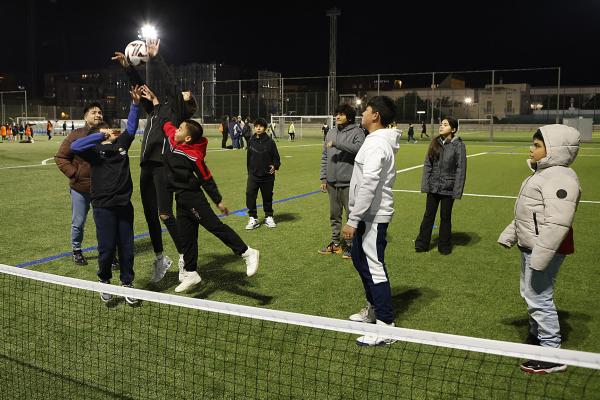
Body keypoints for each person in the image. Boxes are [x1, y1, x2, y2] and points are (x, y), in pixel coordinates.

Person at [140, 85, 260, 292]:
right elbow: (163, 122)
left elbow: (206, 178)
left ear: (187, 138)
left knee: (215, 227)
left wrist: (218, 200)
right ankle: (191, 273)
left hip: (194, 198)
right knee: (187, 239)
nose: (175, 129)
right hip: (181, 200)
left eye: (180, 129)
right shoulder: (172, 137)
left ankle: (247, 252)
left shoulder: (193, 154)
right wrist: (155, 101)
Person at [498, 125, 581, 374]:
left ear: (554, 149)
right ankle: (537, 337)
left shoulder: (560, 177)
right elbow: (529, 214)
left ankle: (550, 352)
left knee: (539, 296)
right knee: (531, 292)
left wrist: (541, 255)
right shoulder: (540, 174)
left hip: (544, 248)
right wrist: (510, 234)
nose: (531, 149)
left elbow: (557, 223)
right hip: (531, 245)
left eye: (537, 145)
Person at [112, 38, 196, 282]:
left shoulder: (179, 111)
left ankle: (184, 258)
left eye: (185, 94)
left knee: (165, 214)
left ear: (187, 105)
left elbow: (171, 84)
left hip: (162, 168)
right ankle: (161, 259)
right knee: (150, 215)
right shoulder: (157, 110)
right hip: (146, 166)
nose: (183, 91)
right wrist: (128, 67)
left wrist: (156, 57)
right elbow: (141, 88)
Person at [70, 86, 142, 304]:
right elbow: (75, 145)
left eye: (108, 129)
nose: (108, 131)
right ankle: (104, 281)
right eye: (103, 131)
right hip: (102, 206)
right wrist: (98, 137)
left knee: (127, 247)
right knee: (107, 247)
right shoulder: (93, 152)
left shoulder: (122, 144)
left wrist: (135, 104)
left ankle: (127, 284)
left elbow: (131, 125)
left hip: (123, 204)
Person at [341, 96, 401, 346]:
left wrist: (353, 219)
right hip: (367, 214)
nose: (362, 114)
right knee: (359, 259)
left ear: (375, 115)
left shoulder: (376, 144)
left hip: (372, 216)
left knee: (374, 267)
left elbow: (370, 183)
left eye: (365, 110)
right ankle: (374, 310)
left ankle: (386, 327)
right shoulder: (373, 140)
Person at [55, 102, 105, 265]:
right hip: (80, 189)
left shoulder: (107, 134)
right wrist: (74, 174)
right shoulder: (75, 135)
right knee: (78, 222)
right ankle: (76, 250)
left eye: (100, 112)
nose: (98, 114)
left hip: (102, 189)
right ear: (85, 117)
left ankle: (107, 252)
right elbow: (61, 157)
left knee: (104, 223)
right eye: (93, 112)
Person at [318, 104, 365, 259]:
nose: (337, 117)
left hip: (350, 183)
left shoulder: (357, 132)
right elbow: (325, 157)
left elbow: (359, 149)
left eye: (341, 114)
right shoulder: (330, 132)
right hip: (332, 182)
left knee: (351, 216)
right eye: (336, 114)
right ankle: (335, 244)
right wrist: (323, 177)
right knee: (334, 215)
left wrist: (338, 144)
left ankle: (352, 247)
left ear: (349, 116)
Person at [414, 117, 466, 255]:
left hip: (448, 188)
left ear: (453, 129)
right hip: (433, 186)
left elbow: (461, 169)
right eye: (441, 124)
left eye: (445, 124)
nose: (441, 126)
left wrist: (457, 191)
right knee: (428, 215)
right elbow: (427, 165)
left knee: (445, 217)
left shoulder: (458, 145)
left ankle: (444, 246)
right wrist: (426, 185)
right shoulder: (435, 143)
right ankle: (422, 244)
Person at [245, 118, 281, 230]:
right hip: (253, 175)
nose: (258, 128)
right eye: (256, 126)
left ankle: (269, 216)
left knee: (267, 197)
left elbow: (276, 158)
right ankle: (253, 218)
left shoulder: (270, 142)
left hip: (267, 176)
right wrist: (249, 172)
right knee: (250, 194)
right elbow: (248, 158)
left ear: (265, 128)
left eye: (260, 126)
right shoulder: (251, 141)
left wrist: (275, 166)